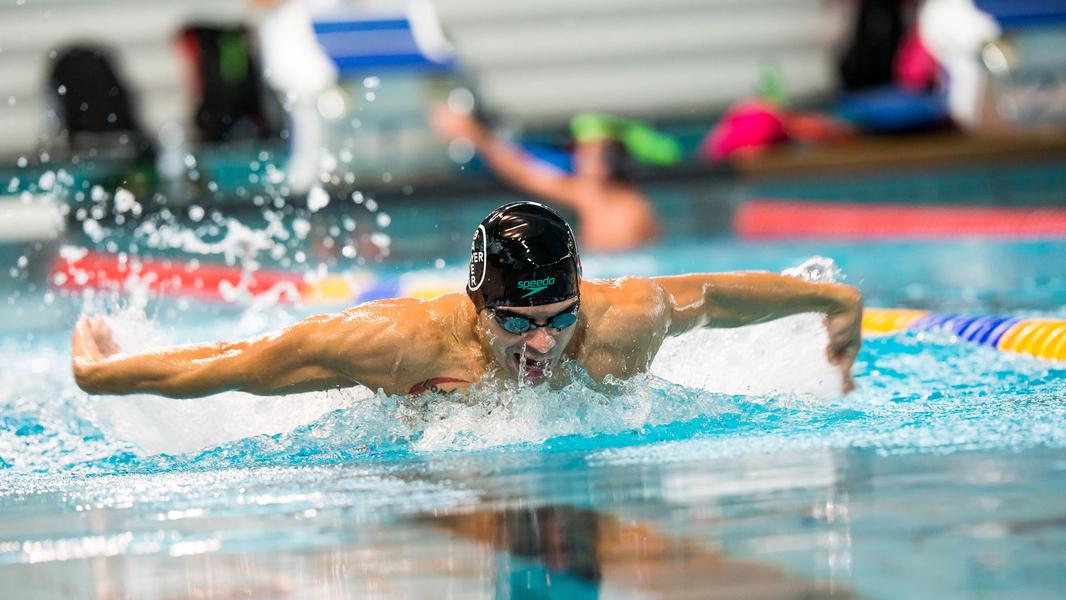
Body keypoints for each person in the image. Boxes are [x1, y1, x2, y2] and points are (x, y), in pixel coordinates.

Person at [72, 202, 862, 398]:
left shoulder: (622, 319)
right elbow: (246, 362)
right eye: (518, 321)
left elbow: (717, 298)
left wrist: (830, 299)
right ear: (478, 306)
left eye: (560, 320)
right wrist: (106, 373)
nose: (543, 346)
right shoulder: (402, 342)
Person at [433, 109, 673, 253]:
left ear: (609, 162)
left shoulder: (630, 211)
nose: (579, 159)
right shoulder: (590, 195)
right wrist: (475, 134)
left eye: (587, 152)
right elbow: (524, 172)